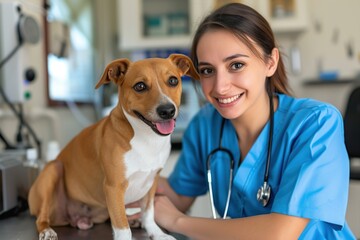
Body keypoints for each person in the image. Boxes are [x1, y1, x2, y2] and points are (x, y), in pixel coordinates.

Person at [132, 3, 356, 239]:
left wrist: (178, 220)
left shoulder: (317, 124)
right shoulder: (205, 125)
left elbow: (280, 233)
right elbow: (177, 195)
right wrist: (112, 187)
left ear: (271, 62)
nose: (220, 86)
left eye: (236, 65)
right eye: (208, 71)